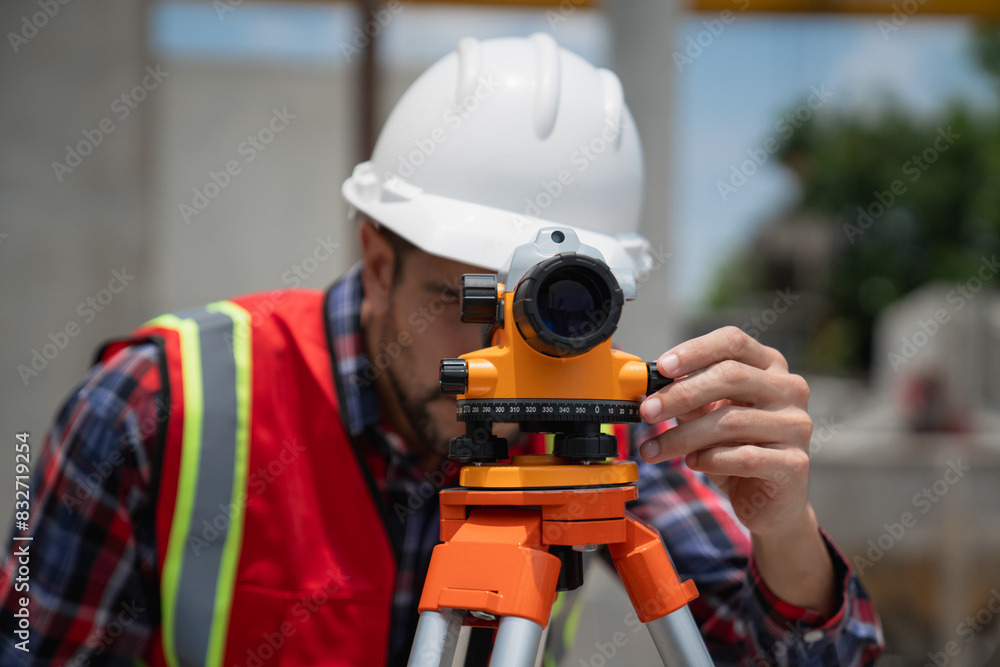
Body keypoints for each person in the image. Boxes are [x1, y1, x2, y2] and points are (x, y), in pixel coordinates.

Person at [0, 34, 883, 666]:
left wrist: (784, 532)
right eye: (468, 300)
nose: (506, 349)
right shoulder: (150, 407)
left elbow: (815, 652)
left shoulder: (591, 428)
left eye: (547, 312)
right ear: (378, 262)